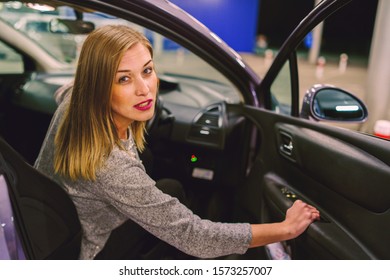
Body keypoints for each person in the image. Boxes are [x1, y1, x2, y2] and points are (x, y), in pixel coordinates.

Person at [34, 24, 320, 260]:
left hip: (62, 231)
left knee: (171, 188)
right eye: (123, 79)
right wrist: (285, 229)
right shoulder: (111, 165)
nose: (145, 90)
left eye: (147, 71)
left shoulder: (74, 102)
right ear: (97, 87)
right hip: (92, 252)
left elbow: (68, 87)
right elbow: (195, 236)